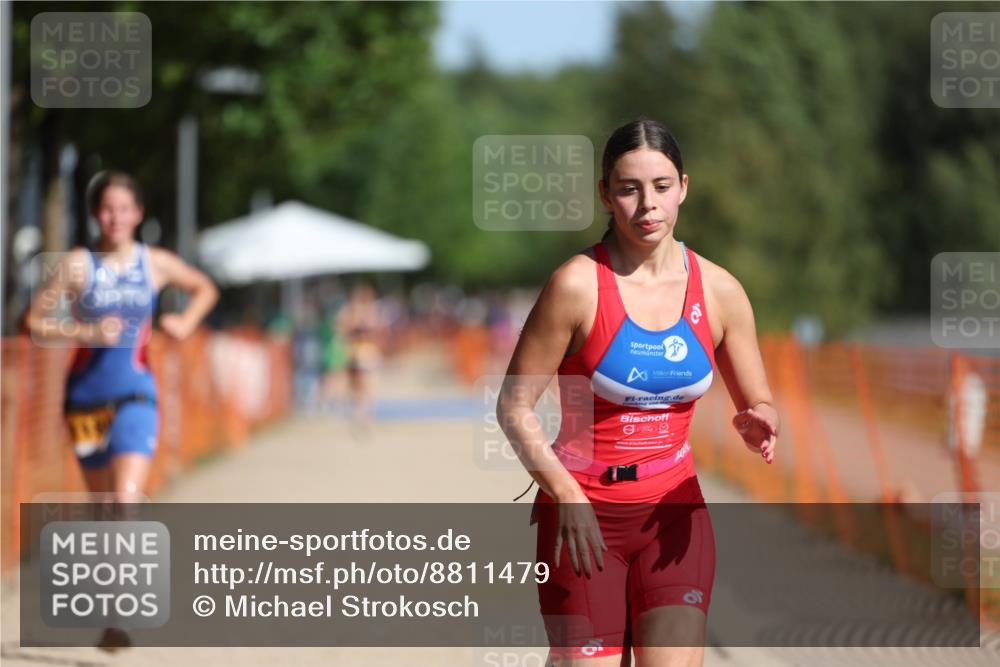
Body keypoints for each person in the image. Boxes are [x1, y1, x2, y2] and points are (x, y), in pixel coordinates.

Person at [497, 119, 779, 667]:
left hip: (674, 517)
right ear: (606, 194)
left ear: (684, 188)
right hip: (582, 519)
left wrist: (757, 418)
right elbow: (513, 406)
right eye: (629, 189)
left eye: (662, 186)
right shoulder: (577, 285)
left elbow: (759, 399)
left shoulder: (719, 290)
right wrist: (566, 494)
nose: (647, 204)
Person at [27, 170, 218, 501]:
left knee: (125, 501)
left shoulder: (154, 263)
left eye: (125, 208)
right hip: (85, 399)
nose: (116, 218)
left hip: (136, 392)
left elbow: (205, 289)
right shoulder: (78, 264)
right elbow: (31, 322)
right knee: (103, 509)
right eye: (107, 208)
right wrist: (87, 330)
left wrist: (186, 322)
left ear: (138, 213)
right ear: (95, 213)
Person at [338, 282, 384, 431]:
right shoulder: (348, 312)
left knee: (367, 384)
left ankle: (365, 414)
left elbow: (378, 330)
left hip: (368, 353)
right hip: (354, 353)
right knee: (356, 385)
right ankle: (361, 411)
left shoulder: (372, 313)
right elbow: (342, 330)